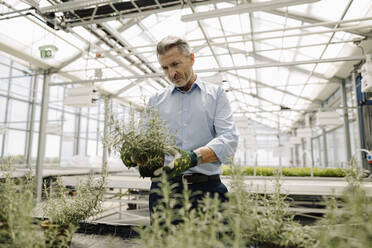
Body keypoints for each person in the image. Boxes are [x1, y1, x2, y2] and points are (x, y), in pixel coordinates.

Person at [144, 36, 239, 215]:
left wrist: (193, 158)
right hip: (164, 191)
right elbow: (145, 144)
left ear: (191, 59)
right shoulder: (155, 101)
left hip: (207, 190)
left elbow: (229, 139)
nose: (172, 73)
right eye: (165, 68)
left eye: (176, 64)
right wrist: (138, 157)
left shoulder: (216, 95)